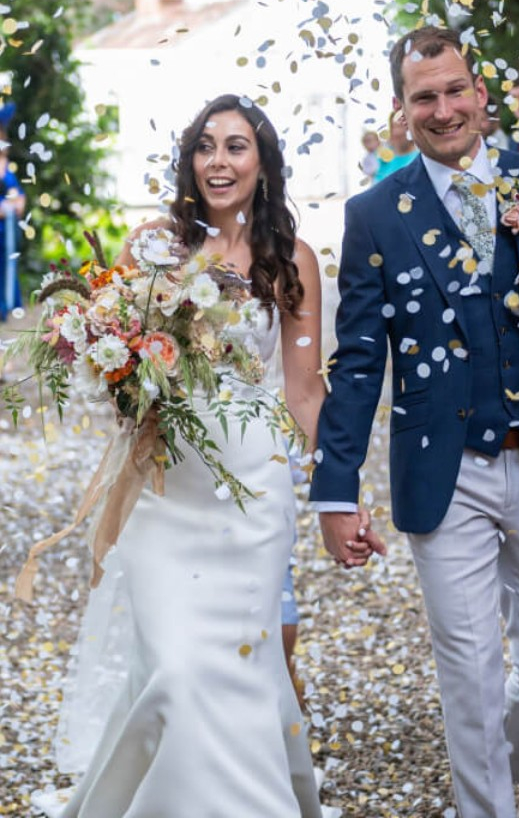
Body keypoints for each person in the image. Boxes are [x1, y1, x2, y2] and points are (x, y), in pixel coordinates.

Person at [309, 26, 519, 818]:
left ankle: (493, 764)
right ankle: (484, 806)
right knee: (468, 667)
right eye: (423, 96)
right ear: (401, 111)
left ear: (482, 96)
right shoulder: (375, 215)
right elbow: (359, 364)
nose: (442, 108)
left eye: (454, 90)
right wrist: (335, 493)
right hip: (444, 470)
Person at [33, 95, 334, 818]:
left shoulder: (291, 261)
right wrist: (119, 365)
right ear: (188, 162)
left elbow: (302, 391)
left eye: (236, 146)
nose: (218, 161)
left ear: (263, 164)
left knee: (236, 661)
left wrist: (337, 491)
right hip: (170, 483)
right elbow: (120, 382)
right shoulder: (155, 248)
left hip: (252, 492)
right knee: (173, 662)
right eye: (205, 146)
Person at [0, 102, 26, 322]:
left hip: (6, 227)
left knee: (7, 263)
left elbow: (18, 192)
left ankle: (7, 302)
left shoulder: (6, 165)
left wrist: (18, 203)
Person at [372, 109, 418, 181]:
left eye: (400, 126)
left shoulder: (421, 159)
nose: (395, 132)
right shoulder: (382, 159)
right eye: (393, 127)